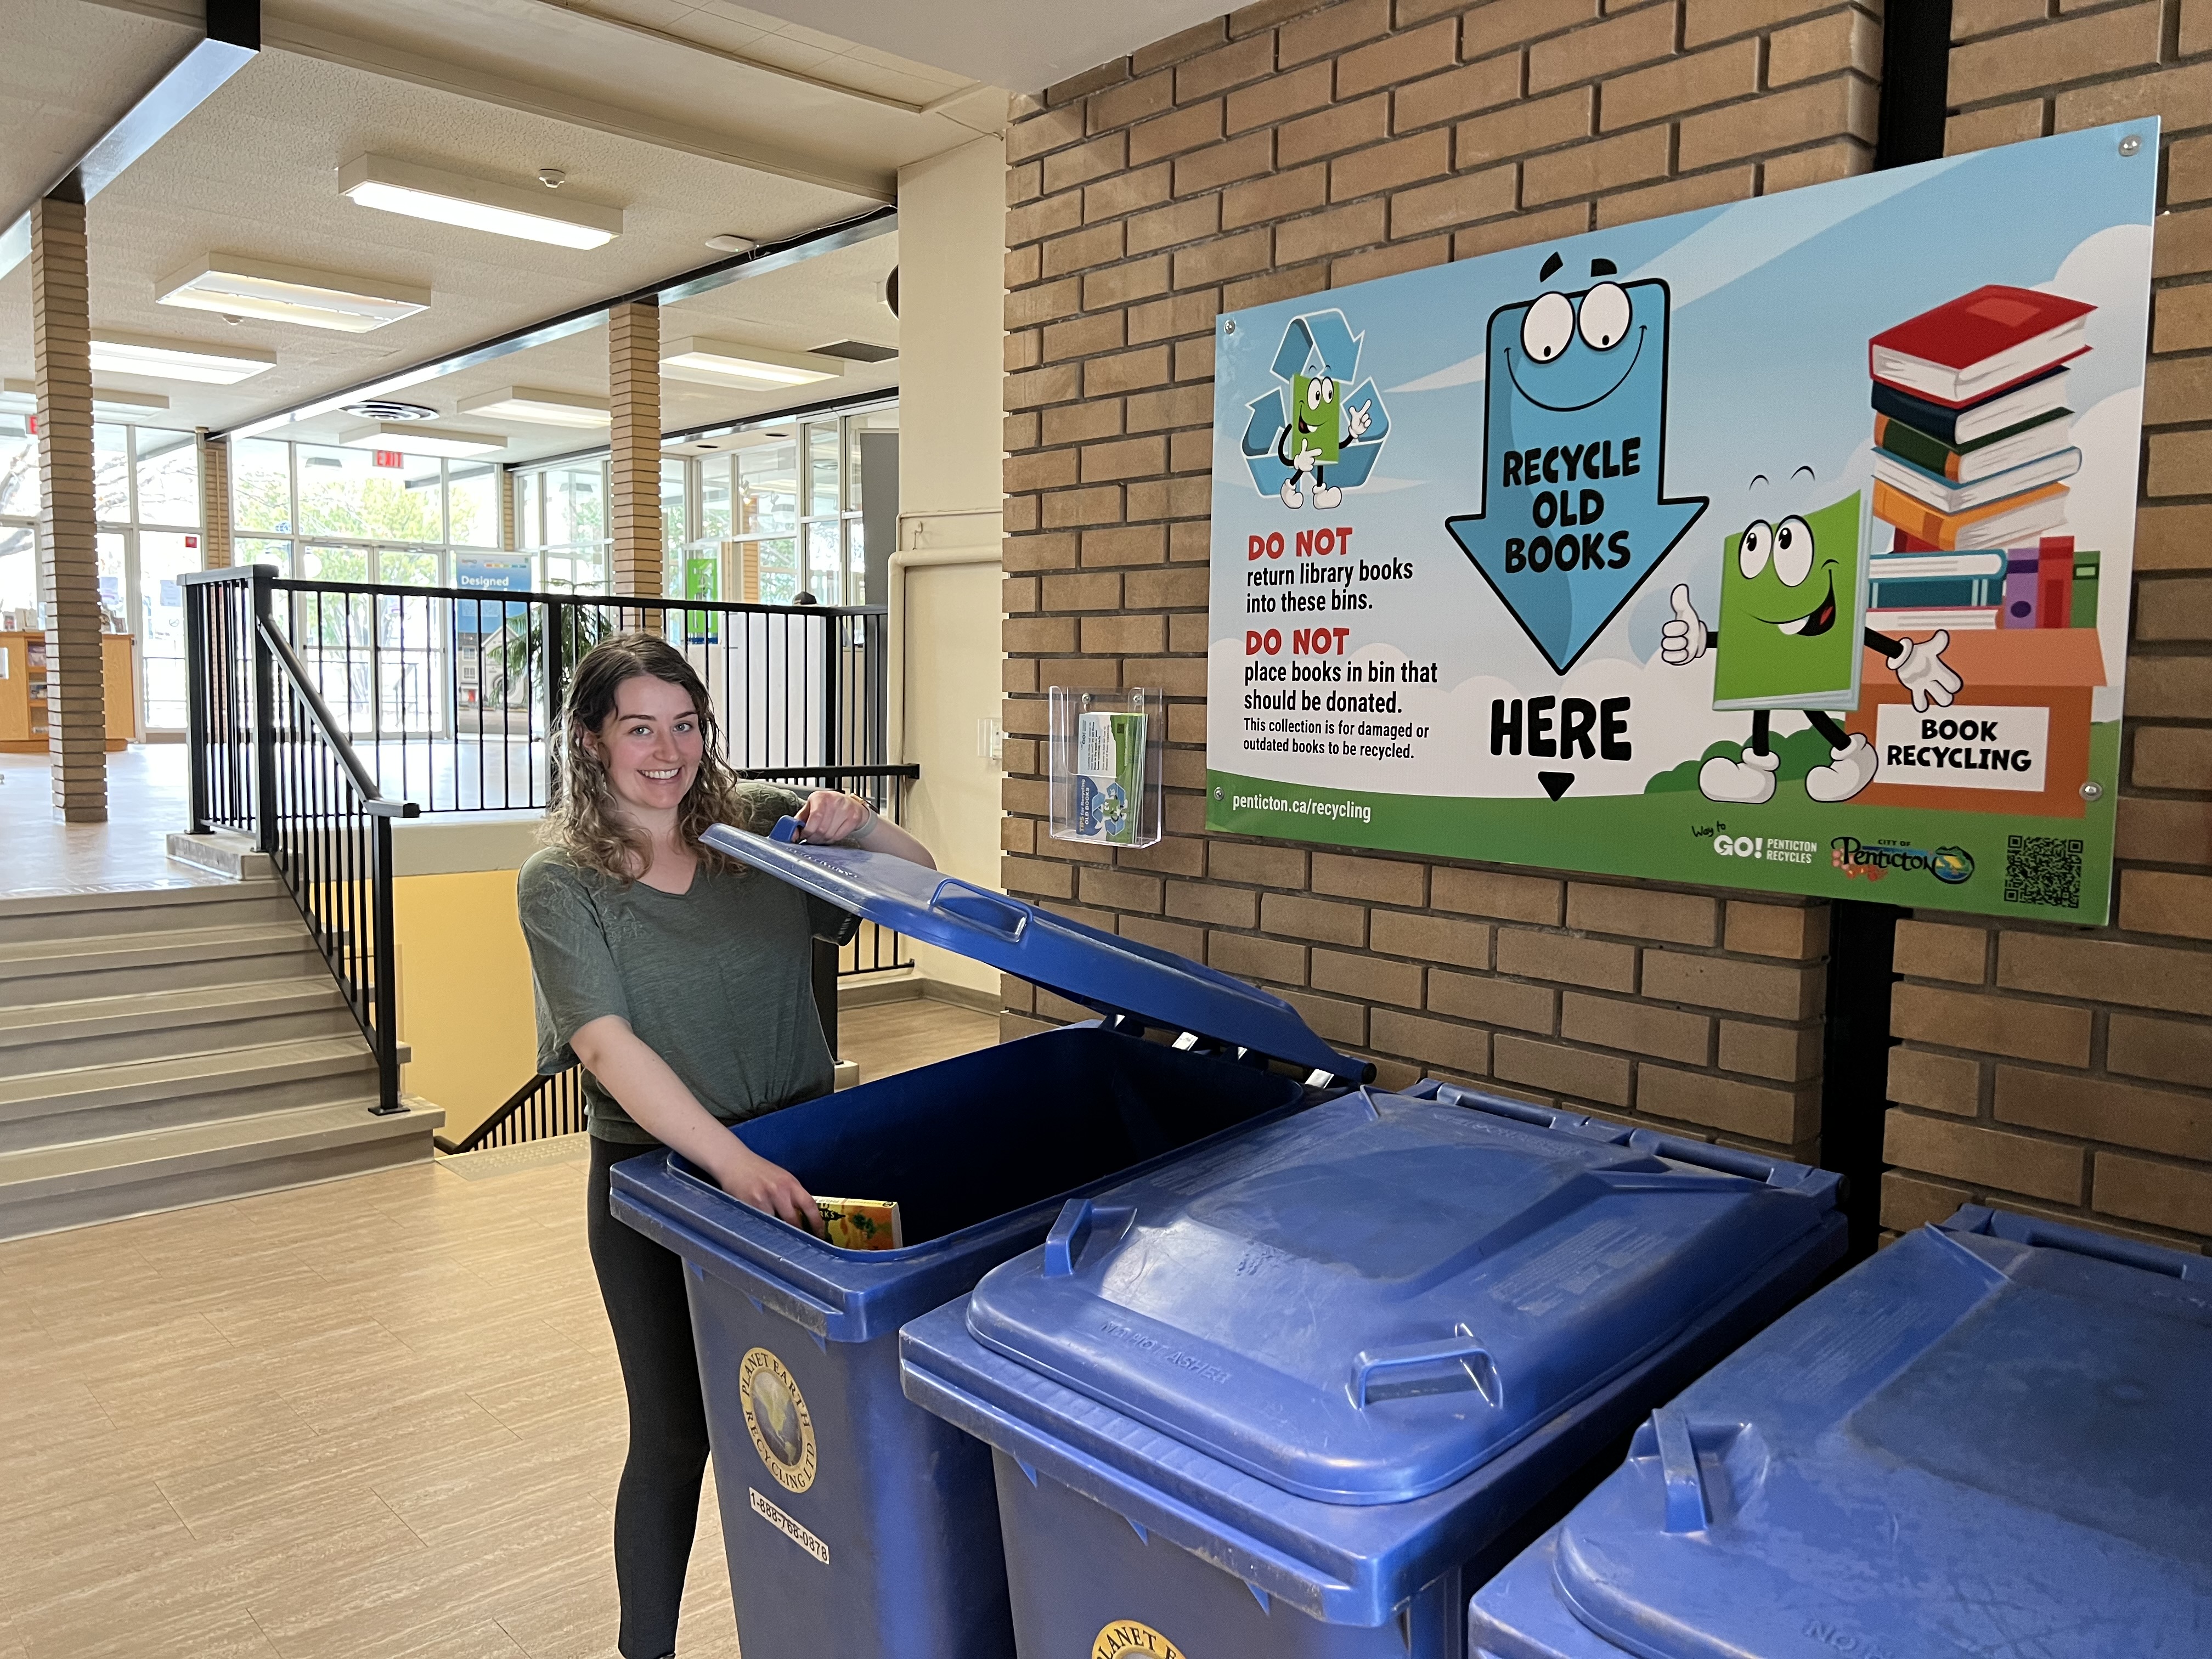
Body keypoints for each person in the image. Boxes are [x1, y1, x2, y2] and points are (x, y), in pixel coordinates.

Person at [517, 631, 934, 1659]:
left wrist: (862, 821)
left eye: (687, 725)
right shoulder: (559, 880)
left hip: (802, 1150)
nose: (667, 752)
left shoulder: (755, 826)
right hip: (661, 1182)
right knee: (676, 1435)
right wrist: (729, 1163)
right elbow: (608, 1049)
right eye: (639, 729)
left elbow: (922, 884)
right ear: (589, 740)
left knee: (821, 1422)